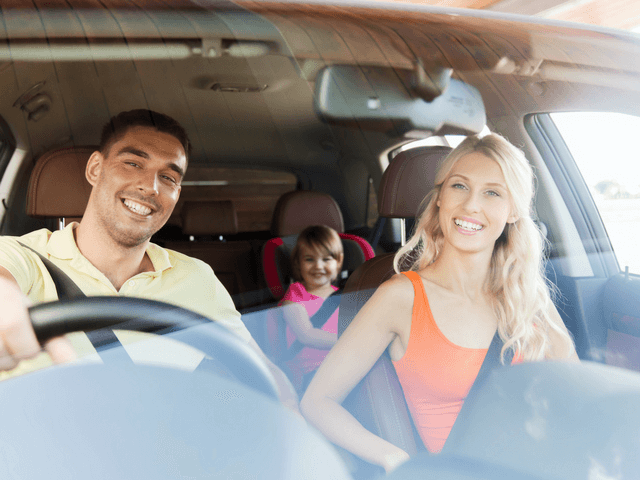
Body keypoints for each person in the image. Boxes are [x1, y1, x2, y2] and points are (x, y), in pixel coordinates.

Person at [300, 133, 579, 472]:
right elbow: (317, 401)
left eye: (492, 192)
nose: (471, 205)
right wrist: (396, 459)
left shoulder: (526, 293)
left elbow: (574, 390)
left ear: (513, 211)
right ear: (439, 199)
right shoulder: (400, 297)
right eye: (459, 186)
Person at [0, 109, 297, 407]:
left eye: (167, 177)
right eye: (132, 163)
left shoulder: (197, 278)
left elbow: (260, 373)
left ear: (176, 193)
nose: (150, 187)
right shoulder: (23, 254)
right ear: (95, 169)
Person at [278, 225, 343, 393]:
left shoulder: (345, 297)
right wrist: (350, 342)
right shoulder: (295, 295)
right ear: (298, 264)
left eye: (326, 259)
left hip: (343, 367)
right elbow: (306, 335)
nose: (318, 266)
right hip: (309, 374)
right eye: (309, 259)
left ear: (339, 262)